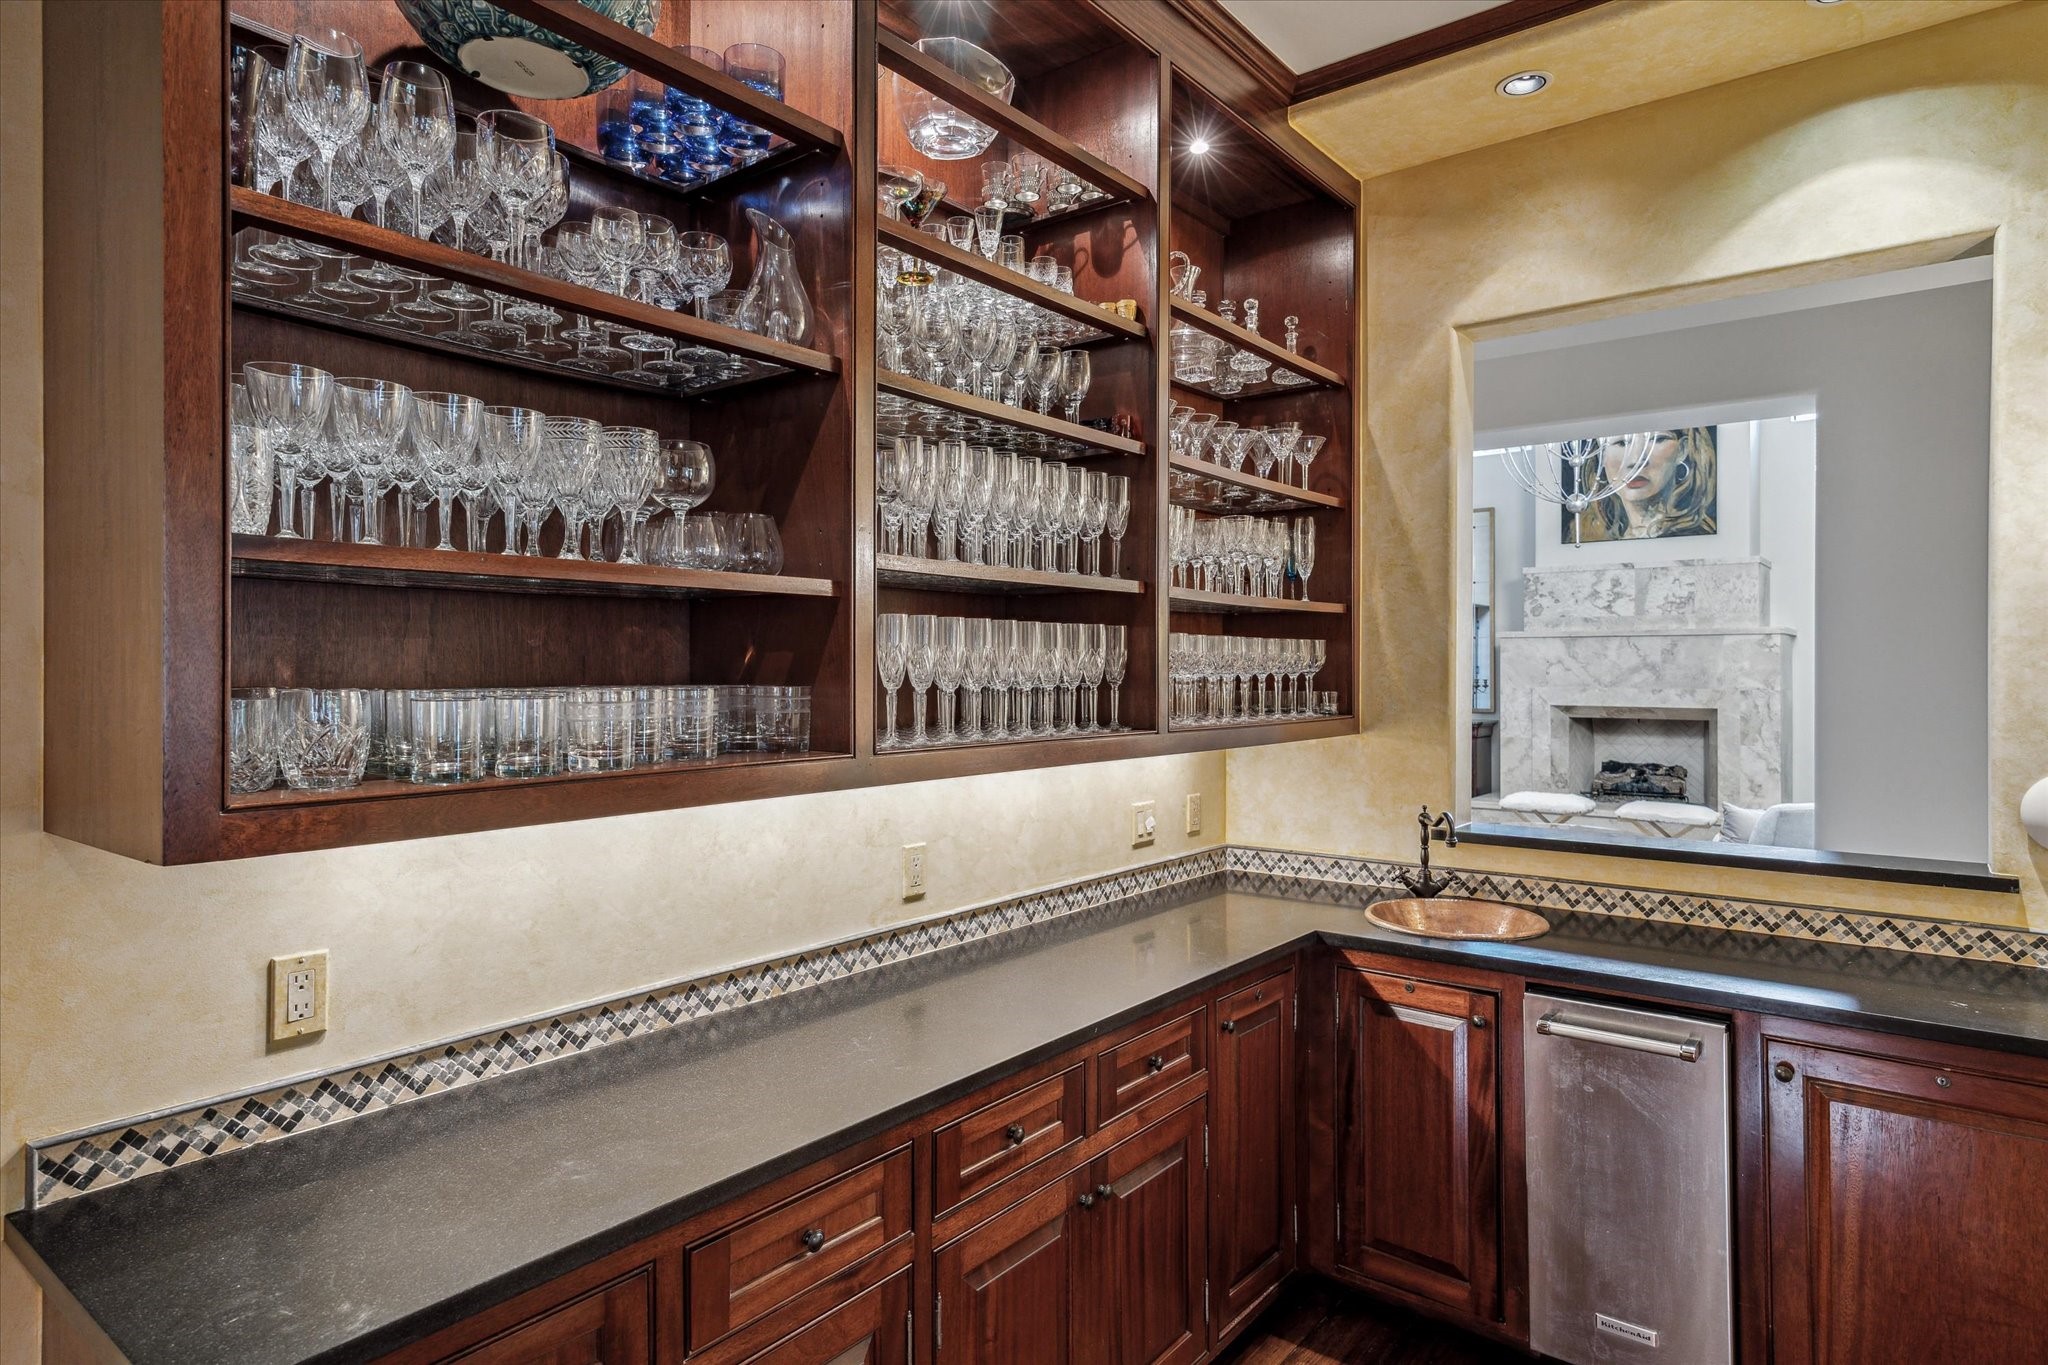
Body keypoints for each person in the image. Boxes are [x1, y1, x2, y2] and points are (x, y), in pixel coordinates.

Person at [1574, 427, 1717, 541]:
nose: (1636, 461)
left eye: (1657, 439)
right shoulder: (1588, 537)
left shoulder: (1697, 538)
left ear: (1682, 450)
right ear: (1602, 456)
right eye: (1621, 443)